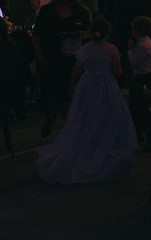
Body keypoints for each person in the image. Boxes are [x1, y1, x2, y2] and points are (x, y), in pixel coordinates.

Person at [37, 16, 137, 183]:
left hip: (87, 84)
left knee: (84, 117)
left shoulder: (85, 48)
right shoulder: (112, 49)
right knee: (108, 117)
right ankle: (104, 146)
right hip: (106, 85)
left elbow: (76, 70)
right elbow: (118, 72)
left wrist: (73, 85)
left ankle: (84, 145)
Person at [33, 0, 92, 137]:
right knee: (50, 90)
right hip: (51, 56)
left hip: (72, 58)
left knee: (69, 91)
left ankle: (69, 123)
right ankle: (50, 116)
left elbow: (88, 33)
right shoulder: (46, 11)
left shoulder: (79, 11)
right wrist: (40, 56)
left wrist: (77, 34)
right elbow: (36, 35)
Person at [127, 15, 151, 150]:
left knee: (139, 108)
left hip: (141, 78)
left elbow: (134, 63)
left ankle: (144, 136)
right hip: (147, 77)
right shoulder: (147, 42)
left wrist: (129, 50)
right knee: (141, 108)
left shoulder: (142, 46)